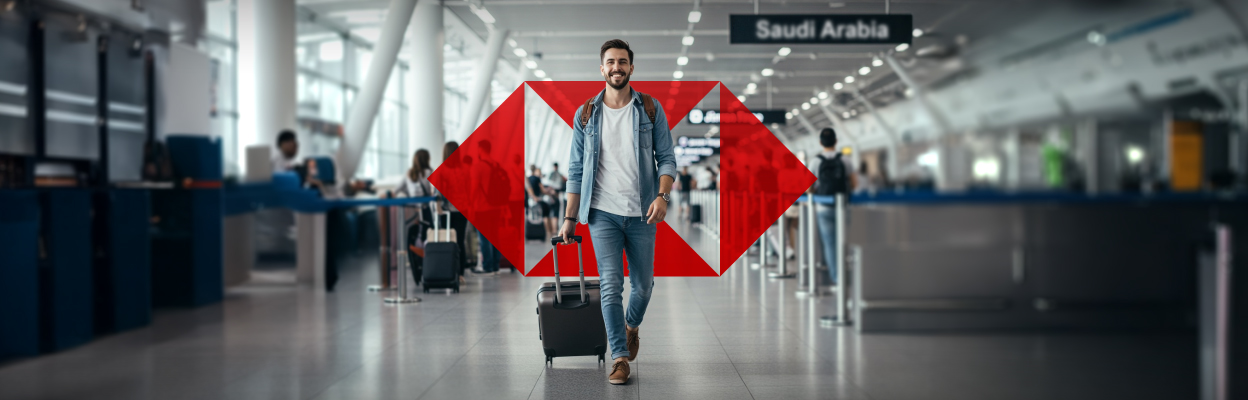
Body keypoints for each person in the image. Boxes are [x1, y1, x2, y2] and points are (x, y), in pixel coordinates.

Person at [557, 39, 677, 385]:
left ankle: (630, 327)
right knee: (610, 286)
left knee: (642, 286)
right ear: (602, 69)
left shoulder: (650, 108)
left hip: (643, 212)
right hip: (601, 213)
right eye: (610, 62)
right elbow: (576, 169)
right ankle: (619, 357)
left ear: (631, 68)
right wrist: (569, 217)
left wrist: (662, 196)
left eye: (622, 62)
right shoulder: (586, 114)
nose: (616, 67)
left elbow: (666, 158)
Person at [807, 128, 855, 287]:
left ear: (820, 142)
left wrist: (816, 190)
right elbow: (854, 183)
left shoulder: (815, 161)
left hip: (823, 207)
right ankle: (848, 274)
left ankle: (837, 278)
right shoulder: (845, 159)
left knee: (830, 244)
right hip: (843, 206)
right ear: (836, 141)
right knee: (844, 241)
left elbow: (808, 188)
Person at [398, 149, 436, 282]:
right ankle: (429, 268)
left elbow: (398, 189)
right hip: (425, 211)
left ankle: (416, 269)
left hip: (412, 212)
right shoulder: (428, 172)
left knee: (414, 240)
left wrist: (409, 195)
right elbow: (435, 191)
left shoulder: (409, 173)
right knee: (428, 239)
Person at [441, 141, 471, 278]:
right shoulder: (465, 169)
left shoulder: (442, 170)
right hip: (462, 210)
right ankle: (460, 274)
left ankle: (448, 270)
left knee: (447, 241)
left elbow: (438, 193)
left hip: (446, 211)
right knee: (460, 241)